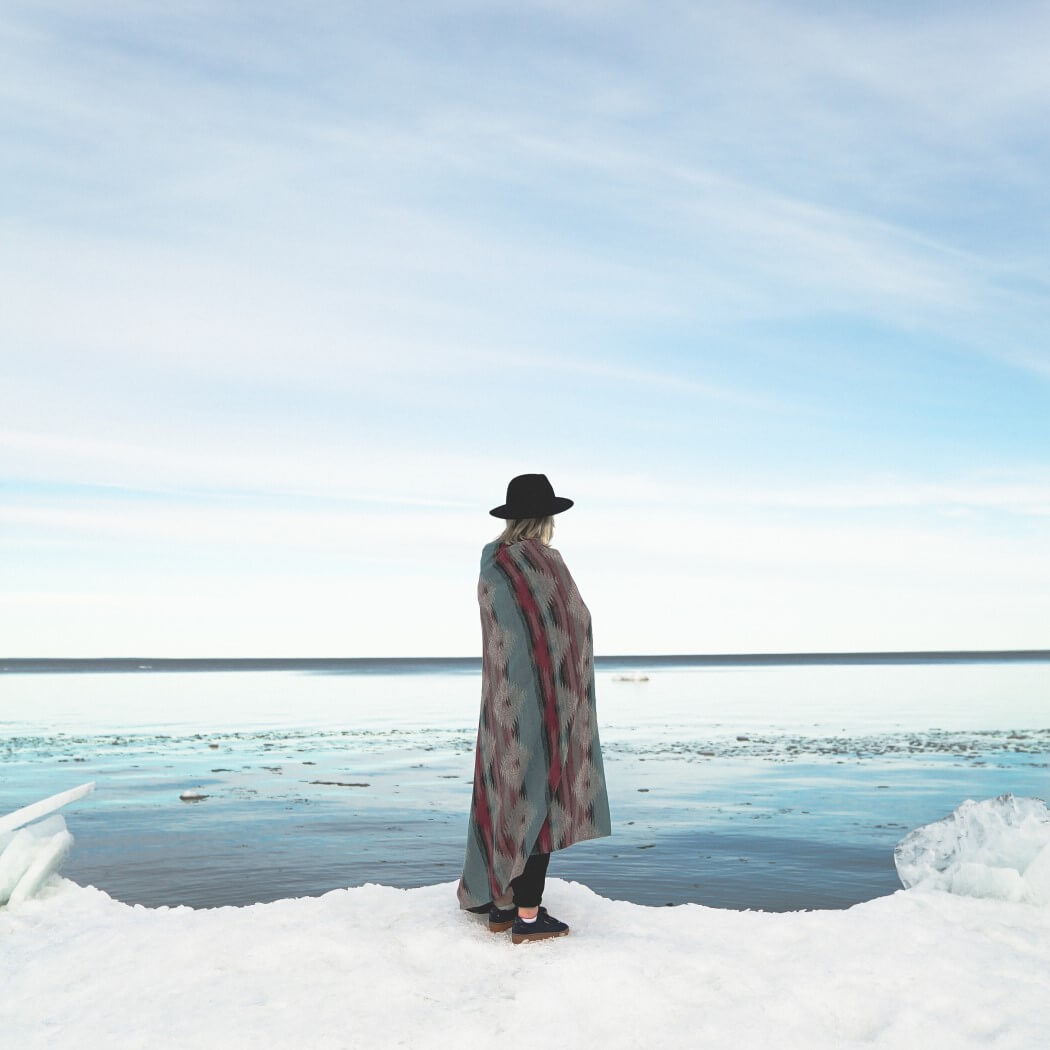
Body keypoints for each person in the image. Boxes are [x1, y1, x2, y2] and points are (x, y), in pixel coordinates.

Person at [457, 473, 612, 944]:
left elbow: (508, 633)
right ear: (546, 519)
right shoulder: (544, 564)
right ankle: (527, 915)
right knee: (543, 797)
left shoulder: (494, 564)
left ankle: (498, 902)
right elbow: (573, 624)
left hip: (504, 702)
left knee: (504, 790)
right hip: (548, 704)